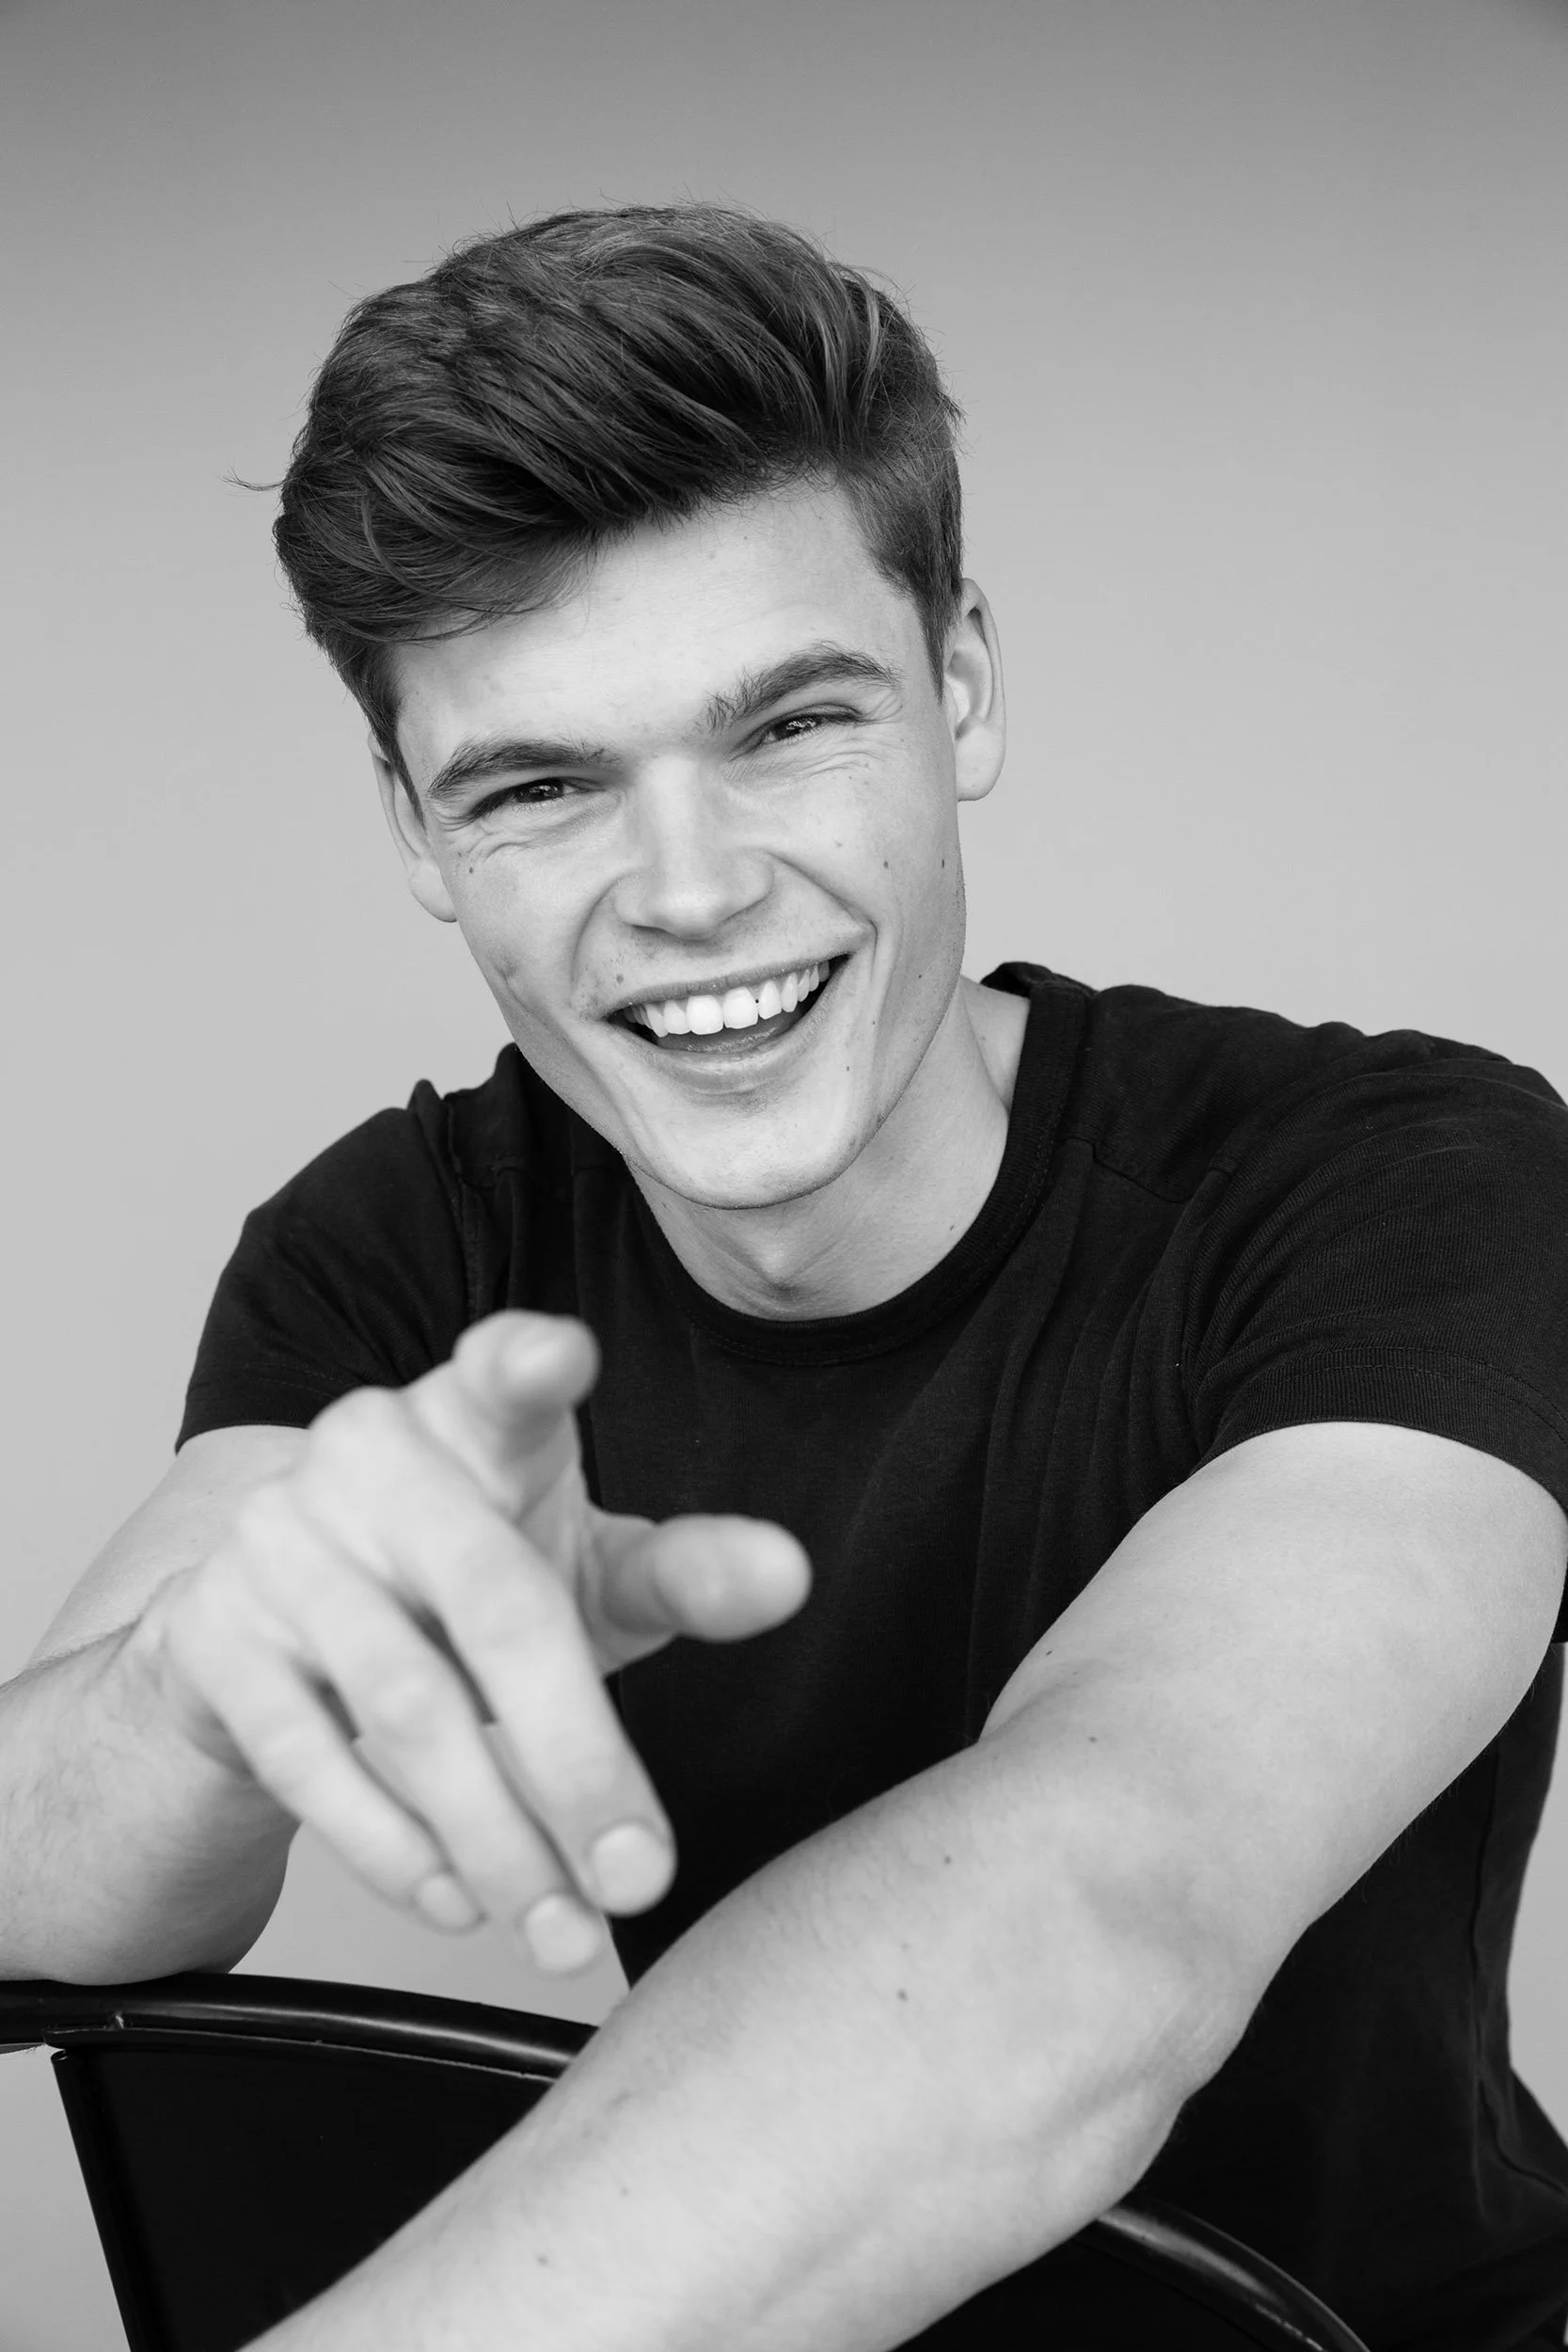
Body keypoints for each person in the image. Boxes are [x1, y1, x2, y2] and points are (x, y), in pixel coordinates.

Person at [5, 202, 1568, 2352]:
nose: (687, 887)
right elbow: (40, 1879)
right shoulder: (402, 1249)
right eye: (539, 783)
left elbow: (1095, 1914)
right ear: (414, 826)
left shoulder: (1406, 1181)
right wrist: (199, 1691)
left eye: (784, 726)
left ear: (958, 682)